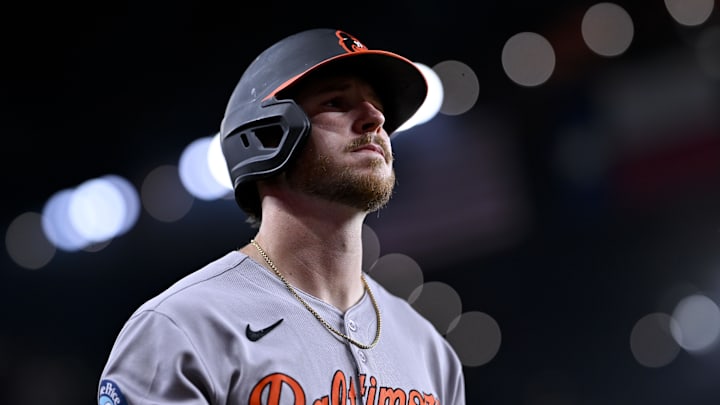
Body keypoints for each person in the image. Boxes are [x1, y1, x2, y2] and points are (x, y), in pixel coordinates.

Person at [97, 28, 466, 405]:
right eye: (337, 102)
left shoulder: (430, 351)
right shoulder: (182, 328)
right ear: (264, 135)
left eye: (378, 107)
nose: (375, 118)